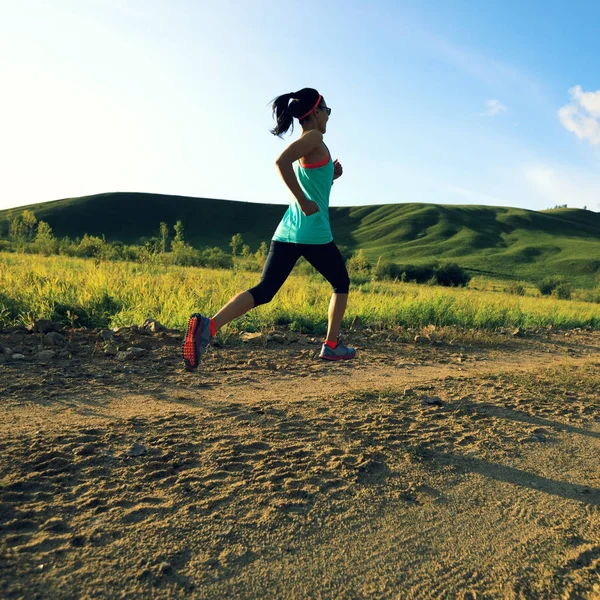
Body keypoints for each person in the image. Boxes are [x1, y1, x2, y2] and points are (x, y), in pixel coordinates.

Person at [183, 87, 356, 370]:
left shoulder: (313, 144)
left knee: (264, 291)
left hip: (287, 232)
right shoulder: (314, 138)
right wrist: (302, 199)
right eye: (327, 110)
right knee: (341, 283)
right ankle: (332, 345)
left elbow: (313, 185)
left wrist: (331, 177)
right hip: (313, 233)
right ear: (314, 111)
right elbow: (281, 162)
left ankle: (208, 327)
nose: (328, 116)